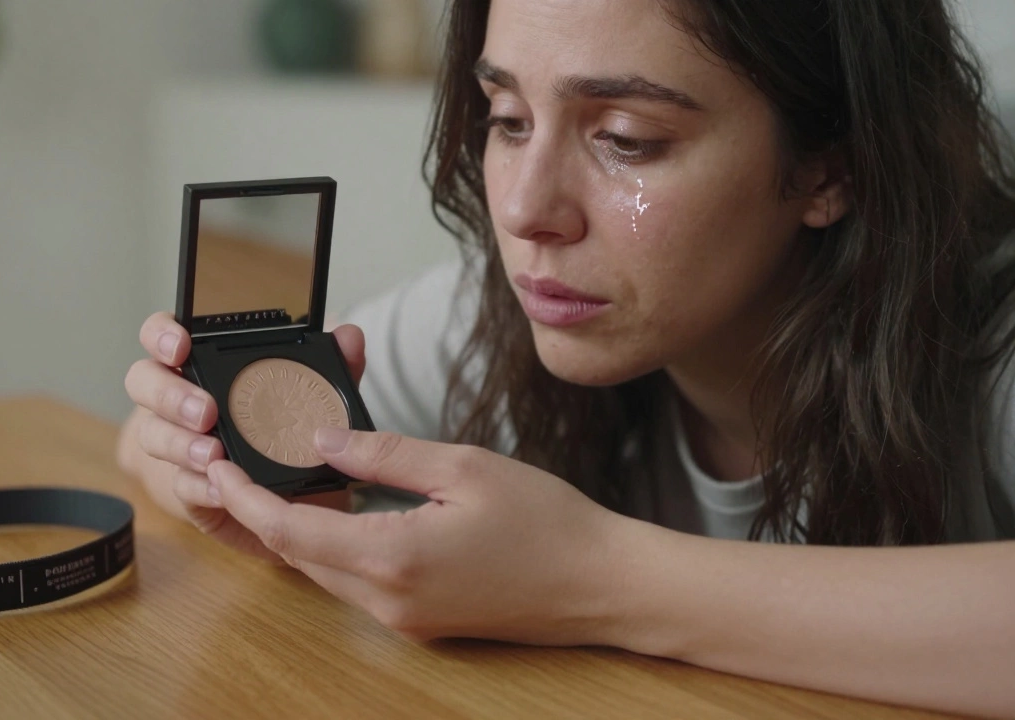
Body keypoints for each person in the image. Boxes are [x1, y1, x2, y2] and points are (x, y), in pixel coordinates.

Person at [119, 0, 1015, 716]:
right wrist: (238, 472)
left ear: (831, 169)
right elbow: (143, 445)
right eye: (508, 119)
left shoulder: (991, 335)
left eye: (625, 137)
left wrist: (594, 579)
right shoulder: (499, 311)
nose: (524, 210)